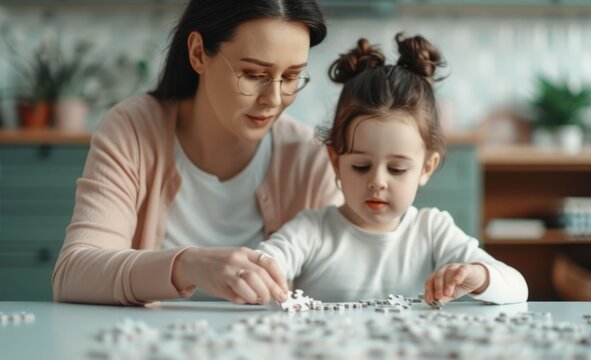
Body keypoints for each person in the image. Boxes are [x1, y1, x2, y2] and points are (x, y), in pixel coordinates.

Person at [52, 0, 342, 306]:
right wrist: (188, 265)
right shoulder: (134, 130)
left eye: (291, 77)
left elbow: (336, 285)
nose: (273, 99)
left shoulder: (308, 156)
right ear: (198, 53)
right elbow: (73, 275)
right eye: (254, 74)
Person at [257, 34, 528, 304]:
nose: (377, 181)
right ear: (336, 160)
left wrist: (478, 276)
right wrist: (257, 274)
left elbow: (518, 287)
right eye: (361, 166)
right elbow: (263, 266)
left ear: (426, 168)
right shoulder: (311, 231)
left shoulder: (432, 231)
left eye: (397, 169)